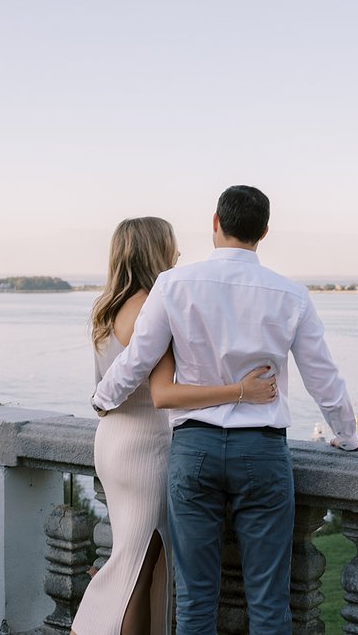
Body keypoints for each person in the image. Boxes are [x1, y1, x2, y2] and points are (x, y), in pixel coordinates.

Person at [91, 187, 358, 635]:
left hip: (193, 450)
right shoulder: (291, 294)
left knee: (195, 602)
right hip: (261, 452)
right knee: (268, 602)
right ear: (264, 232)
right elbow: (324, 378)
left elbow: (138, 358)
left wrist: (103, 398)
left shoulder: (173, 285)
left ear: (215, 222)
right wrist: (348, 436)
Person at [70, 216, 276, 635]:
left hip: (113, 439)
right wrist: (239, 390)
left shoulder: (107, 307)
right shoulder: (149, 306)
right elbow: (165, 393)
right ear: (154, 251)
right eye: (171, 245)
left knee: (139, 560)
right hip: (145, 446)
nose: (178, 253)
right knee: (136, 567)